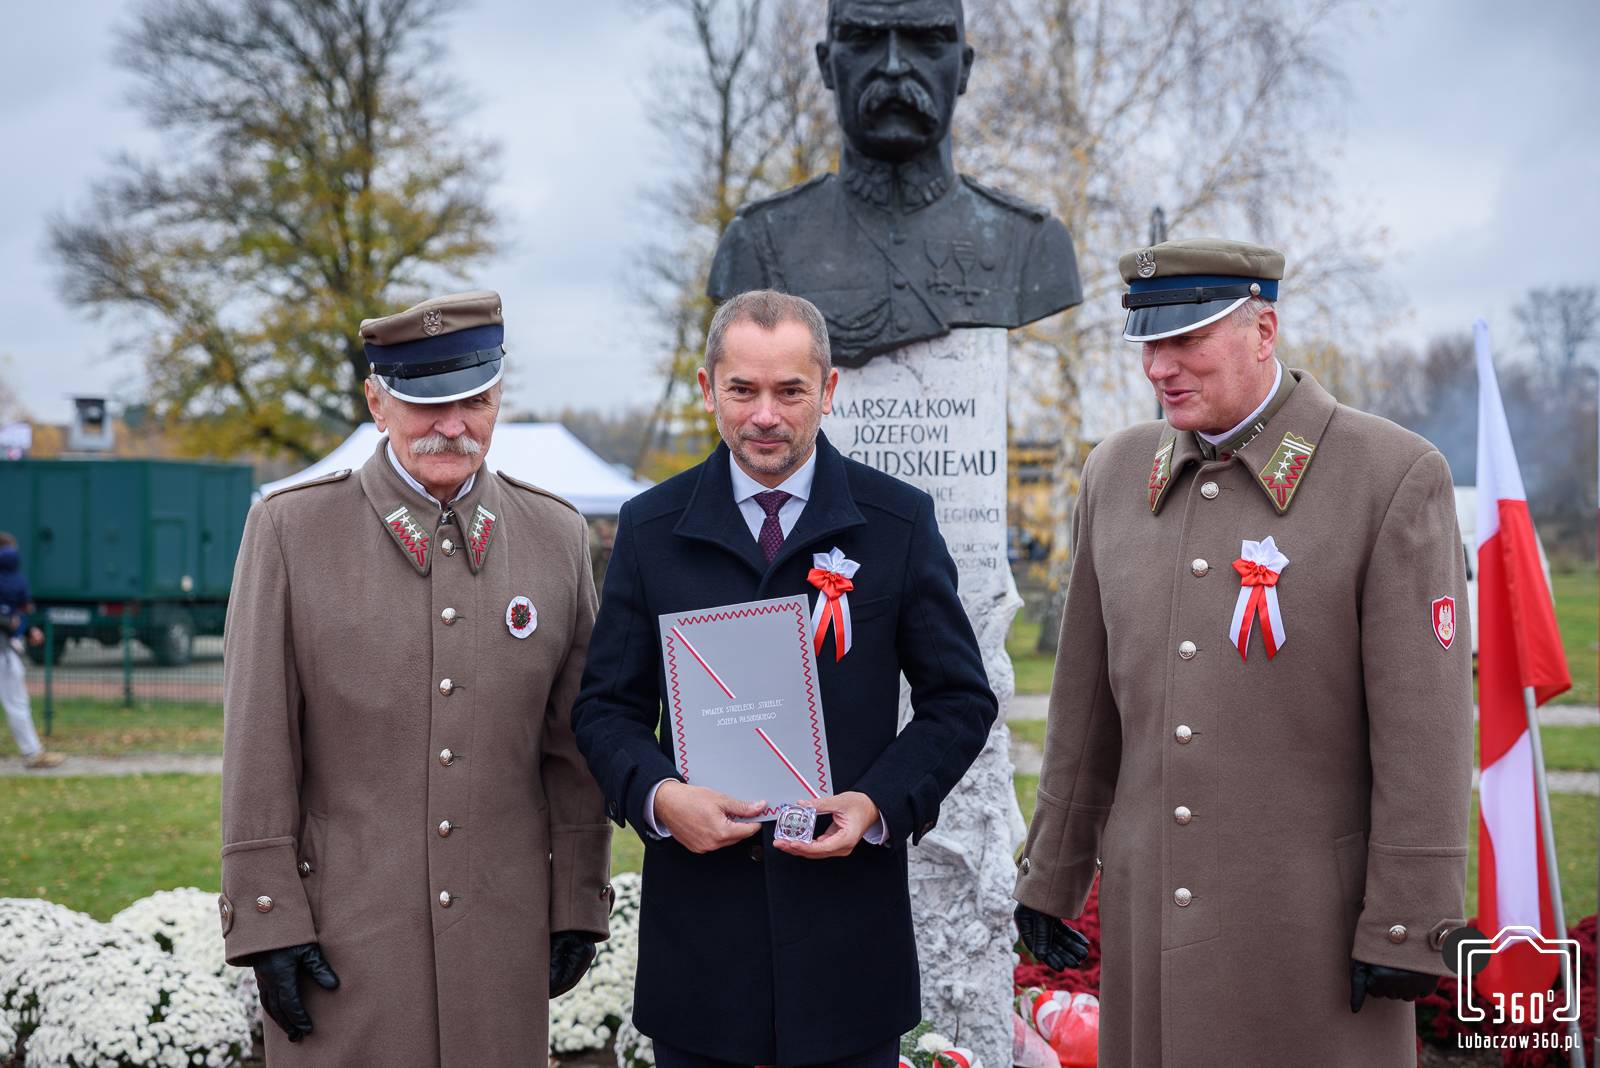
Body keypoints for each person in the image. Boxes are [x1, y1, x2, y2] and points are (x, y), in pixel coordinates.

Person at [1012, 239, 1474, 1067]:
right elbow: (1084, 712)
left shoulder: (1388, 476)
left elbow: (1424, 733)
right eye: (1149, 343)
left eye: (1188, 340)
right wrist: (1051, 874)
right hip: (1150, 924)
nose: (1160, 368)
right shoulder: (1115, 475)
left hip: (1306, 932)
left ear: (1264, 330)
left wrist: (1408, 919)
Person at [573, 290, 997, 1068]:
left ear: (828, 390)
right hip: (701, 950)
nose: (765, 415)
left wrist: (876, 804)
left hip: (847, 946)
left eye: (790, 391)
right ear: (708, 389)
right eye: (742, 389)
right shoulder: (650, 528)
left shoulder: (897, 522)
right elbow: (605, 710)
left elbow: (959, 701)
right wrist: (661, 798)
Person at [220, 290, 612, 1065]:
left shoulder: (556, 536)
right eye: (427, 404)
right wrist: (268, 918)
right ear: (377, 403)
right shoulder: (291, 531)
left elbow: (572, 747)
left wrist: (577, 896)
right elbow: (257, 742)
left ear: (499, 400)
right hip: (346, 938)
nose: (453, 426)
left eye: (475, 402)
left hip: (502, 938)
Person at [707, 0, 1080, 367]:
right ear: (826, 65)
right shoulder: (757, 244)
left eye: (928, 40)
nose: (894, 66)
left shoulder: (1033, 246)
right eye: (863, 39)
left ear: (964, 68)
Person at [0, 533, 64, 769]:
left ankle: (33, 752)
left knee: (16, 699)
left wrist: (22, 629)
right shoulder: (14, 578)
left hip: (6, 646)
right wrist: (15, 626)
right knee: (16, 700)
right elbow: (13, 614)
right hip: (4, 648)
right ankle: (32, 752)